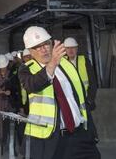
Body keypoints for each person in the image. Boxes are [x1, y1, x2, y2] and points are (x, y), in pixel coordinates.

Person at [18, 26, 100, 159]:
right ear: (31, 52)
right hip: (53, 140)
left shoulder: (66, 64)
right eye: (38, 47)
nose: (44, 49)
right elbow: (32, 85)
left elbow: (79, 99)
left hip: (80, 135)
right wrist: (52, 64)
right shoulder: (26, 70)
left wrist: (91, 131)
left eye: (46, 44)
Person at [0, 54, 20, 155]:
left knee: (11, 128)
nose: (3, 69)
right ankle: (1, 147)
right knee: (0, 127)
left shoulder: (11, 74)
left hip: (10, 104)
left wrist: (10, 92)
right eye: (1, 67)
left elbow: (15, 88)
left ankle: (13, 148)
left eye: (4, 66)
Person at [63, 37, 97, 111]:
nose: (70, 50)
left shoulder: (85, 61)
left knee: (88, 122)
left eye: (73, 47)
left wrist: (89, 100)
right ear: (65, 49)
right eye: (68, 48)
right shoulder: (62, 63)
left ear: (77, 48)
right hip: (70, 102)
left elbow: (93, 82)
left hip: (85, 101)